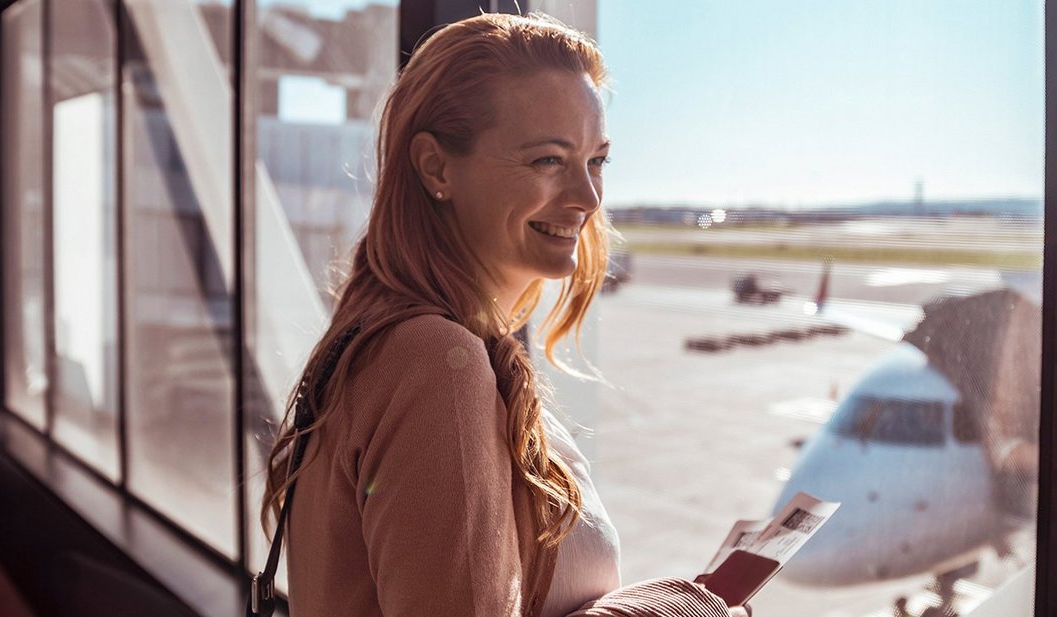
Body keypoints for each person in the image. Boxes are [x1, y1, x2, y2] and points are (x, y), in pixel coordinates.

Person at [260, 12, 748, 617]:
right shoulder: (438, 365)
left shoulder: (392, 336)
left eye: (597, 160)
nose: (588, 198)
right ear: (437, 168)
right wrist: (673, 609)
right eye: (548, 160)